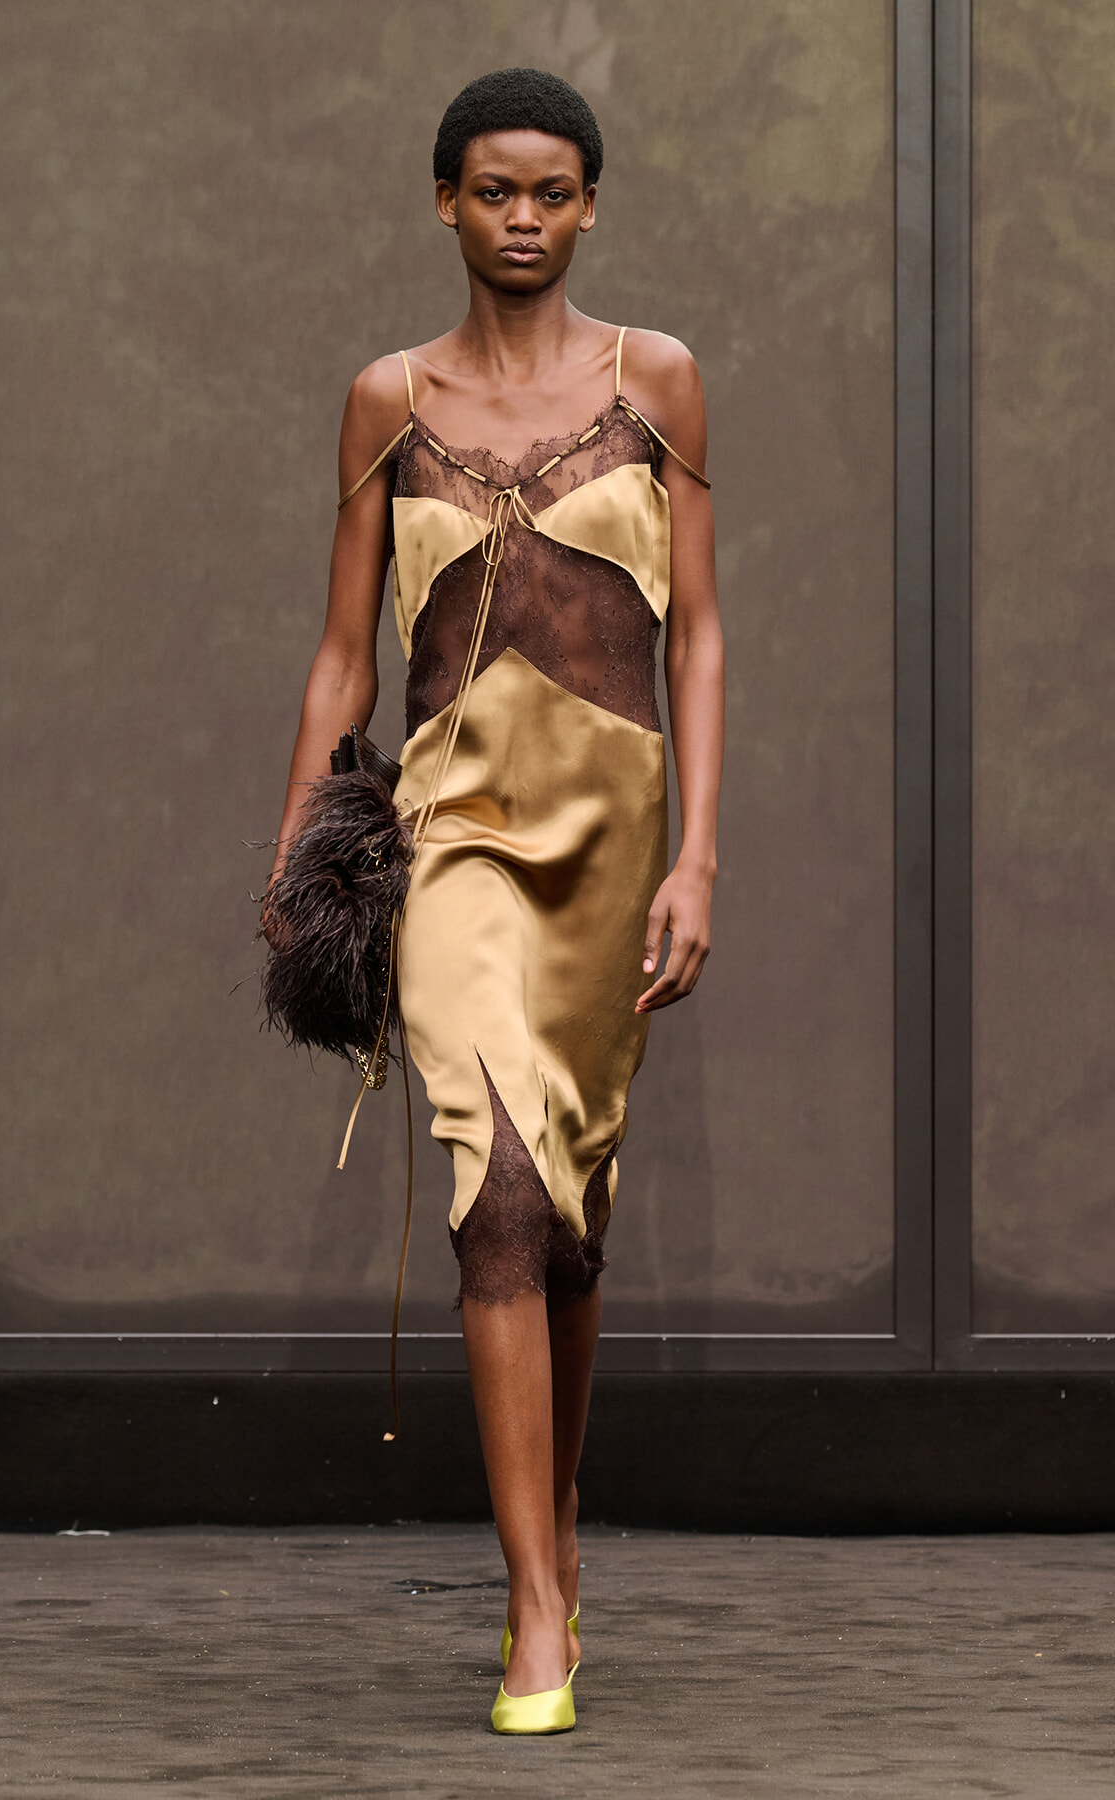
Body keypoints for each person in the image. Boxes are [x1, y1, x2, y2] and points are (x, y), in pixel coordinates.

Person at [267, 67, 725, 1733]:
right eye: (490, 189)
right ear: (444, 204)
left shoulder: (657, 379)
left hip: (615, 839)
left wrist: (698, 856)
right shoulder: (385, 398)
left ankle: (563, 1536)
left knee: (577, 1209)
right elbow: (341, 650)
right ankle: (535, 1605)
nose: (521, 216)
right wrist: (301, 839)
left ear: (590, 202)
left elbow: (700, 637)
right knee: (500, 1189)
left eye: (549, 190)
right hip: (453, 827)